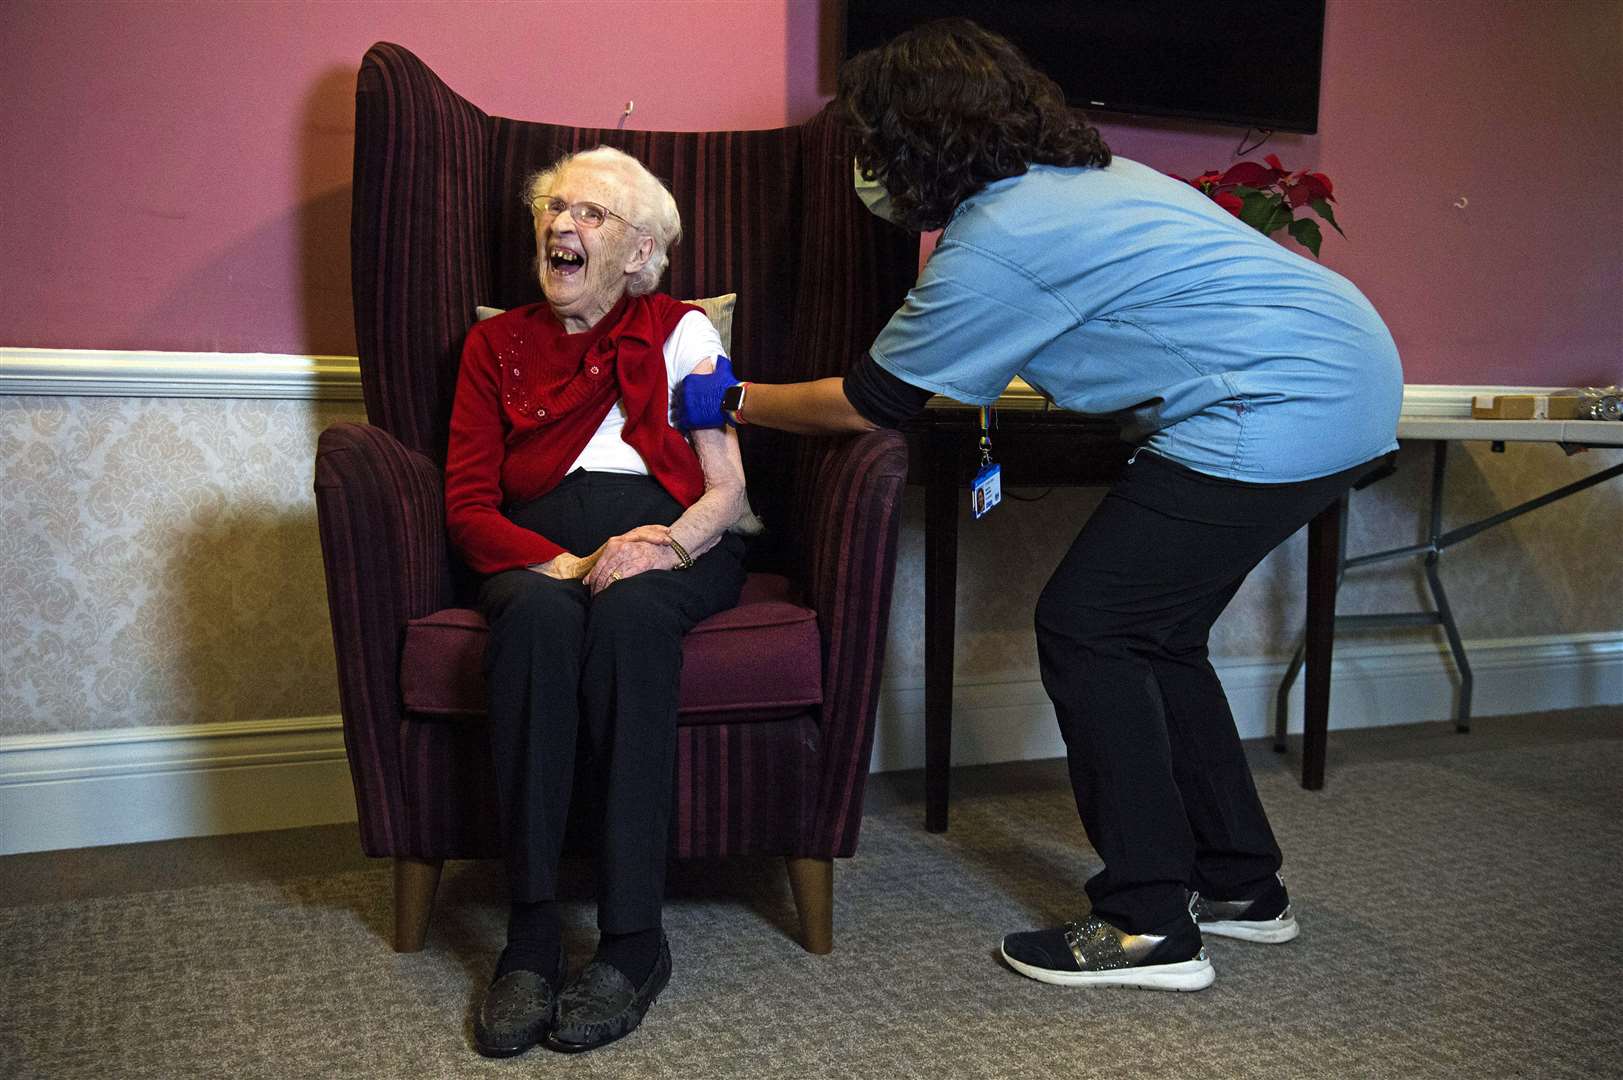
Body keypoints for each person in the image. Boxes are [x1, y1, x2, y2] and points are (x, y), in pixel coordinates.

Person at [679, 19, 1402, 993]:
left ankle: (1149, 925)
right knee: (1158, 637)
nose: (867, 164)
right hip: (1350, 377)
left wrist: (731, 398)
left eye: (876, 142)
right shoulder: (1090, 181)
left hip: (1275, 407)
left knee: (1087, 625)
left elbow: (871, 402)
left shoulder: (999, 238)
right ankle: (1241, 887)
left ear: (921, 142)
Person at [445, 146, 748, 1054]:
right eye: (555, 209)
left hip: (672, 535)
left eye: (591, 214)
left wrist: (667, 544)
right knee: (536, 621)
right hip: (537, 548)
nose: (560, 226)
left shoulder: (683, 332)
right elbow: (465, 503)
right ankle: (531, 940)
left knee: (629, 619)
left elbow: (724, 489)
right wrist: (563, 565)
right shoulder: (492, 345)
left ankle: (631, 940)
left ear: (641, 249)